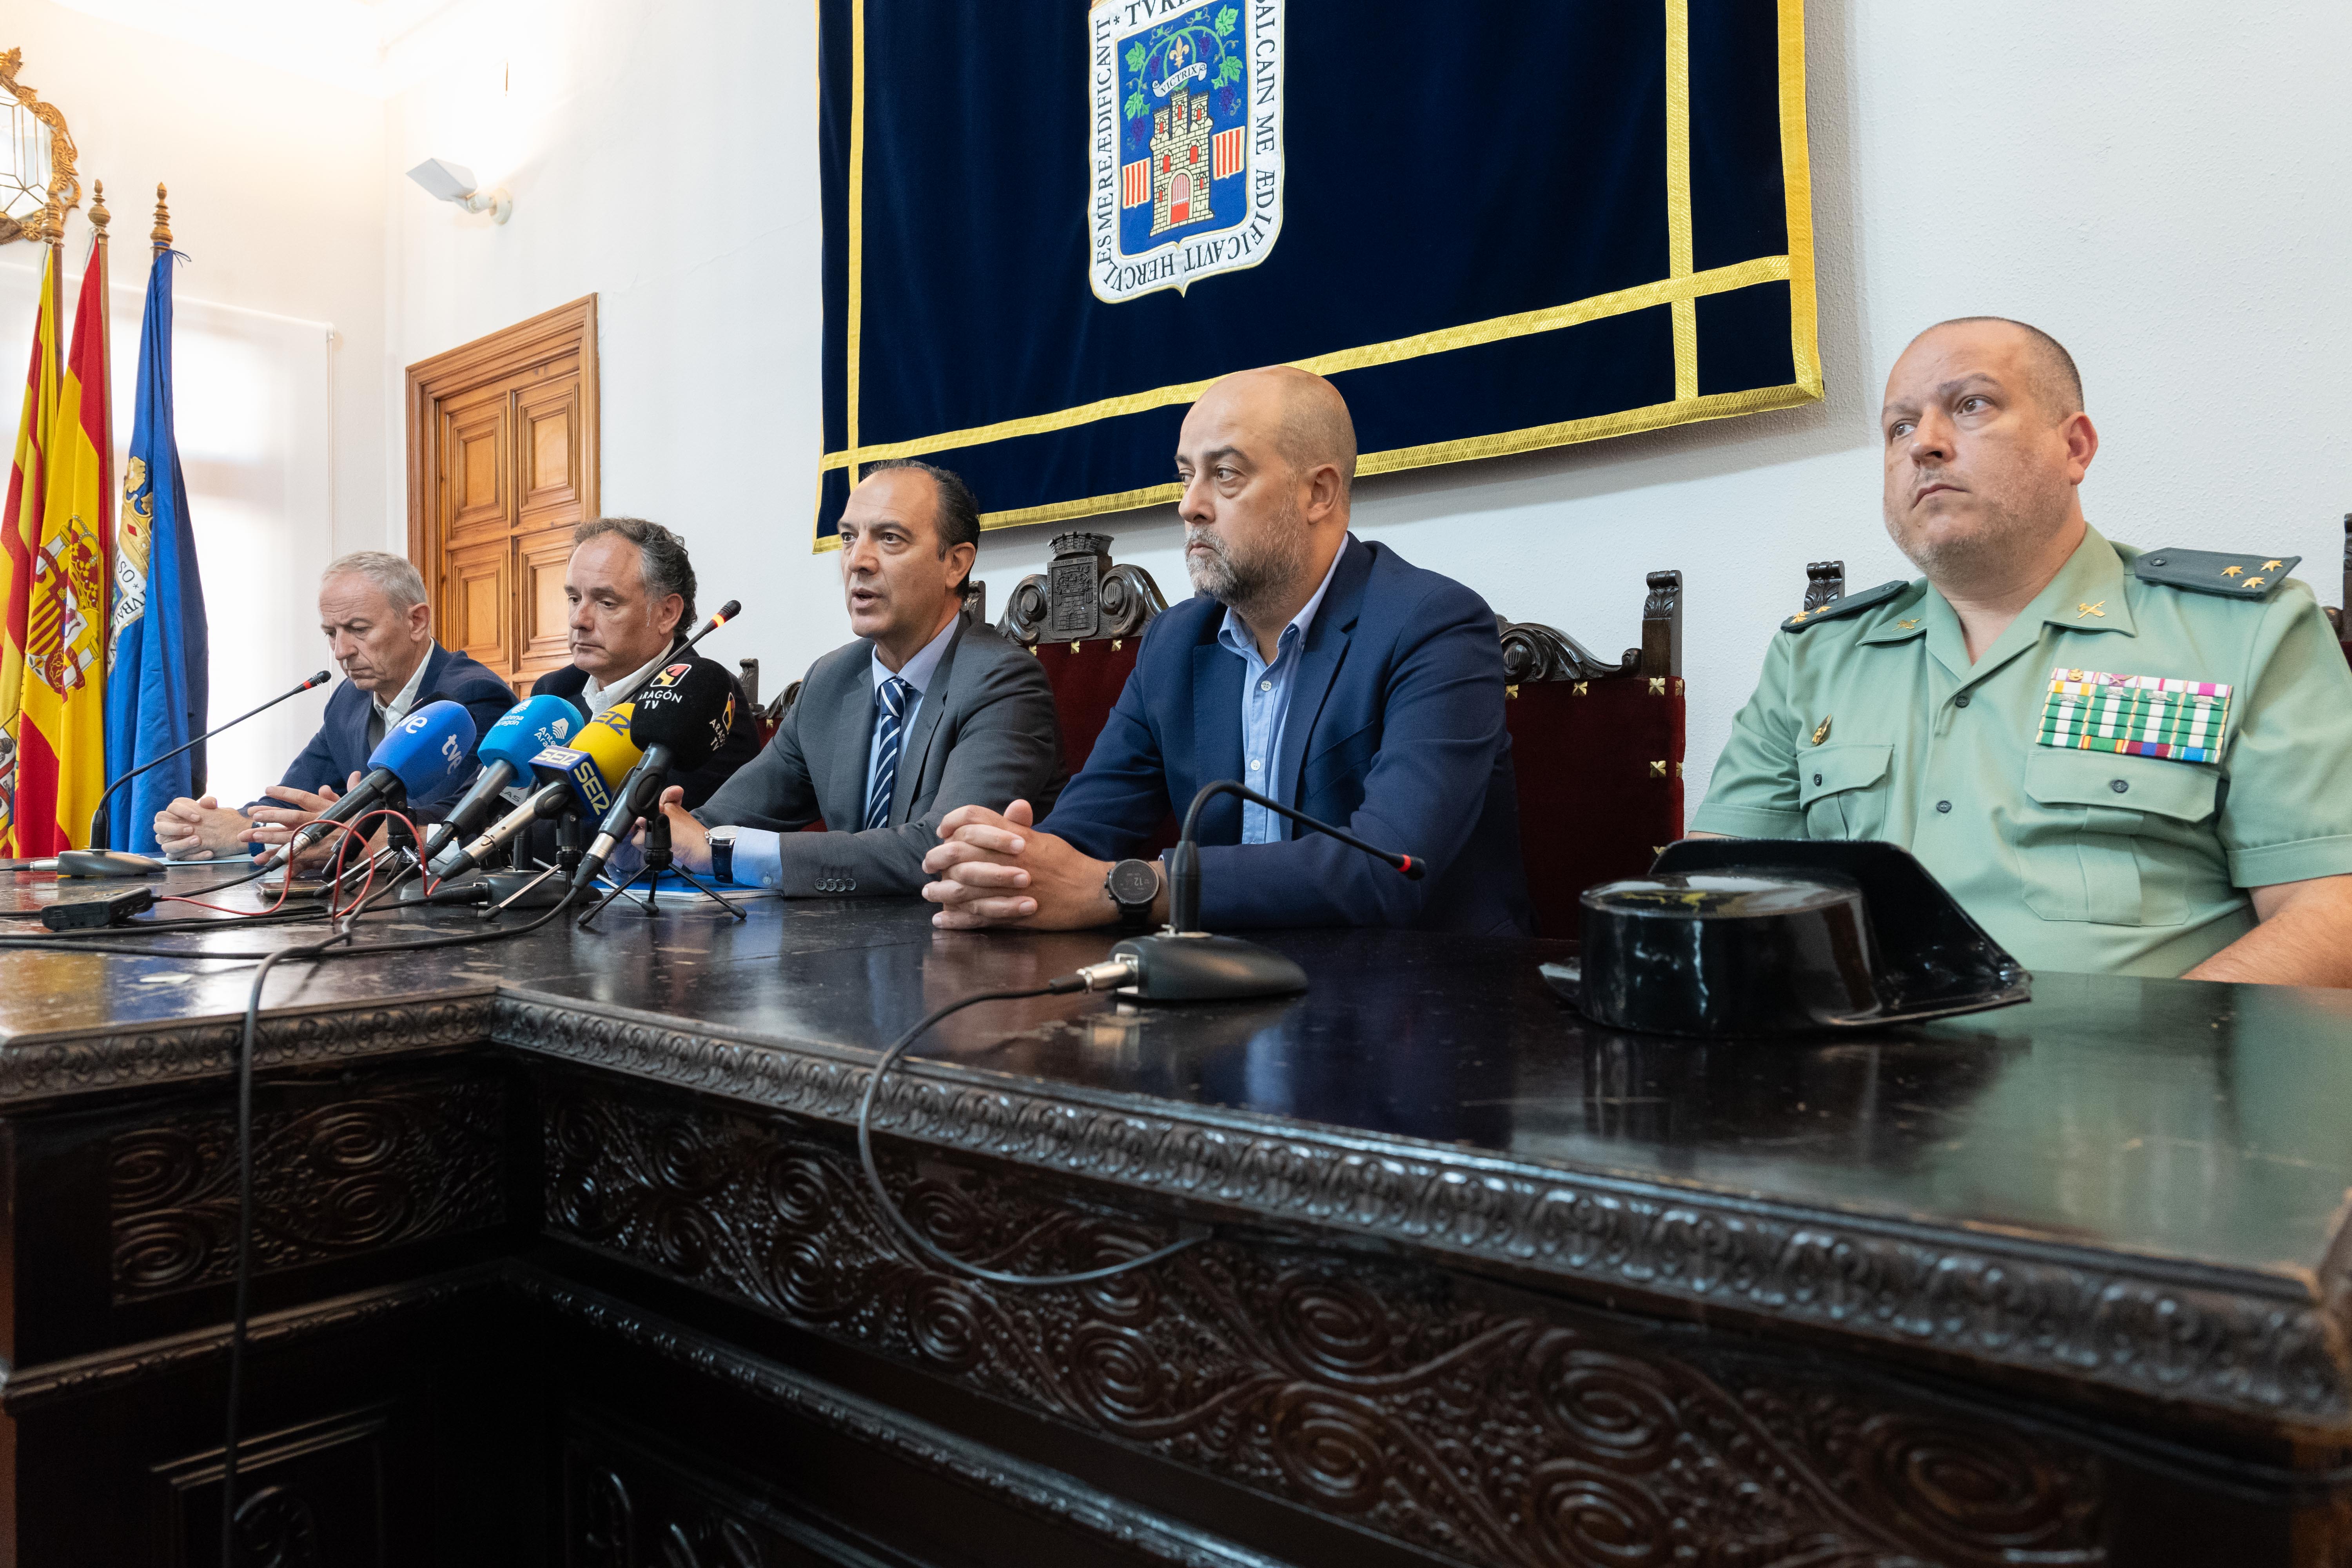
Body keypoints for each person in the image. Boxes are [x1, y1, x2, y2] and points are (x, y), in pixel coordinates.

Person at [1692, 316, 2352, 984]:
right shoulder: (1816, 657)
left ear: (2075, 447)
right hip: (1847, 1073)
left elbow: (2330, 909)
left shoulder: (2241, 632)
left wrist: (2157, 1070)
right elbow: (1721, 889)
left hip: (2134, 1076)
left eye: (1971, 405)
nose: (1925, 443)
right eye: (1899, 427)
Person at [920, 366, 1530, 935]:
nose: (1190, 505)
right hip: (1225, 996)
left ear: (1319, 493)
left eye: (1226, 475)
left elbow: (1392, 868)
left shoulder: (1435, 626)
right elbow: (1087, 833)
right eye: (1187, 475)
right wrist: (1007, 868)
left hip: (1419, 1010)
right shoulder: (1175, 641)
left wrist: (1130, 886)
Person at [634, 462, 1065, 896]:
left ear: (955, 564)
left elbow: (945, 851)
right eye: (848, 538)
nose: (858, 561)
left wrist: (721, 851)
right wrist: (651, 841)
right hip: (843, 945)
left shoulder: (1003, 681)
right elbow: (720, 821)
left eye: (890, 538)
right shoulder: (831, 680)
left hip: (973, 950)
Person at [151, 552, 513, 860]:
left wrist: (341, 831)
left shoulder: (471, 697)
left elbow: (458, 819)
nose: (341, 651)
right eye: (331, 633)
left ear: (416, 621)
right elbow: (297, 795)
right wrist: (215, 827)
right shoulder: (349, 699)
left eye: (358, 629)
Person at [530, 516, 758, 808]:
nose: (578, 620)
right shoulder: (555, 691)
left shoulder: (702, 700)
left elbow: (665, 833)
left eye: (606, 603)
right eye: (574, 598)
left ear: (666, 613)